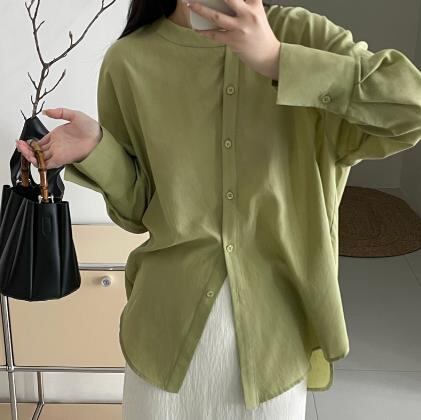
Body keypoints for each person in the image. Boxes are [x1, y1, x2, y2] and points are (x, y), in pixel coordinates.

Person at [16, 0, 421, 419]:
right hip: (162, 338)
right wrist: (96, 148)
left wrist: (279, 61)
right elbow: (138, 210)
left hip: (275, 350)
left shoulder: (302, 35)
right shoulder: (129, 61)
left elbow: (411, 108)